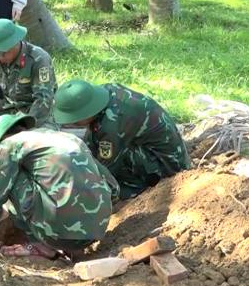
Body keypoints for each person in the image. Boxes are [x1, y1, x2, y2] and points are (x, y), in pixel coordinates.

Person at [0, 114, 118, 260]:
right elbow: (113, 187)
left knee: (9, 178)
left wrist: (2, 214)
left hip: (55, 234)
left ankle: (39, 243)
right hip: (97, 230)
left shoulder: (9, 144)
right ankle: (74, 248)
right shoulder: (68, 138)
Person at [54, 79, 192, 199]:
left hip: (168, 164)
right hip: (153, 145)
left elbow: (104, 172)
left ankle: (133, 189)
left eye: (75, 121)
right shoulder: (106, 92)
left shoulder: (111, 127)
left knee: (104, 169)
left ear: (87, 113)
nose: (72, 124)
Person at [0, 18, 56, 129]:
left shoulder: (39, 59)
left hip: (36, 113)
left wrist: (25, 126)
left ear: (14, 44)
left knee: (33, 141)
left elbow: (43, 101)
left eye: (2, 54)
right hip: (9, 108)